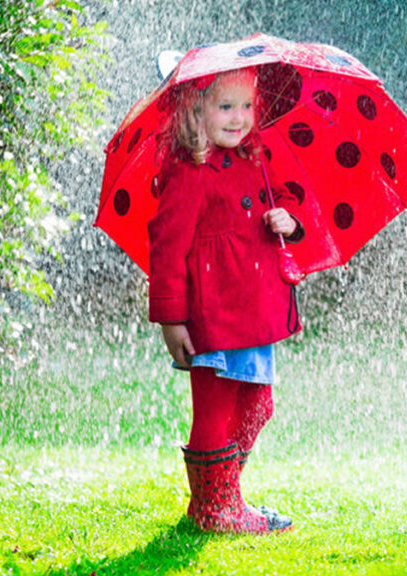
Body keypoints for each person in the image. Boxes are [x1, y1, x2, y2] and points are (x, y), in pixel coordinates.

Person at [147, 66, 305, 534]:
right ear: (196, 112)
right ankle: (214, 510)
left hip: (255, 310)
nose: (239, 118)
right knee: (216, 410)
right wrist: (172, 319)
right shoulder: (190, 171)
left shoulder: (256, 158)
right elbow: (167, 247)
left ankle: (223, 498)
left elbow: (273, 219)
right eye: (225, 106)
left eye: (247, 106)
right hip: (214, 315)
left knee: (259, 405)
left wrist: (288, 223)